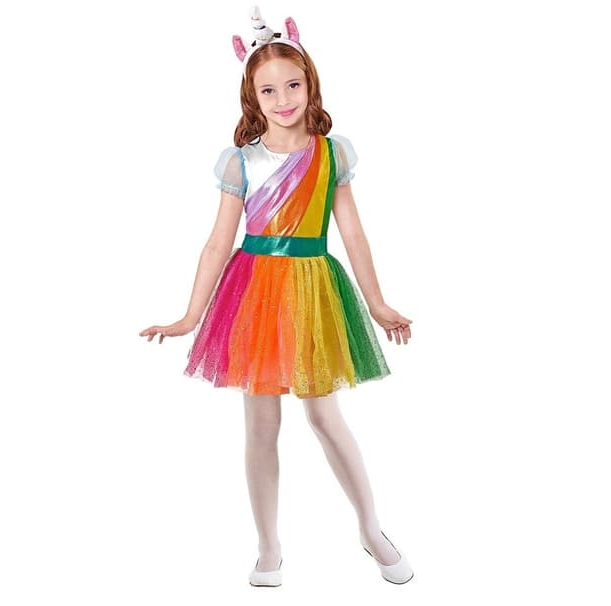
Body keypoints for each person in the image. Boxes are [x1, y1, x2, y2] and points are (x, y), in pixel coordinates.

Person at [139, 6, 414, 587]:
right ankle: (268, 548)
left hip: (313, 289)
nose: (283, 98)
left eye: (293, 84)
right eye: (269, 90)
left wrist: (378, 303)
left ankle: (370, 529)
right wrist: (190, 316)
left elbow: (353, 234)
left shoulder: (332, 153)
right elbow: (218, 243)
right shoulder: (241, 161)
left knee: (324, 415)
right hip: (254, 294)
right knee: (261, 423)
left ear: (310, 84)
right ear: (252, 96)